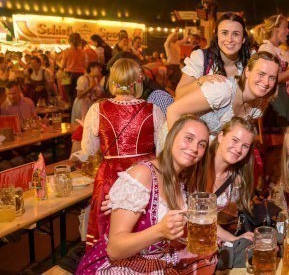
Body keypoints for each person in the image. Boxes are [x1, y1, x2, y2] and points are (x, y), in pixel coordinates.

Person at [77, 115, 217, 274]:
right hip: (121, 265)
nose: (194, 148)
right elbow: (114, 249)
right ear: (172, 137)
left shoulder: (180, 182)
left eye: (202, 144)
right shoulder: (142, 175)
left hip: (158, 262)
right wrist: (160, 231)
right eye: (188, 138)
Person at [78, 58, 165, 249]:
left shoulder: (97, 110)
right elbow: (163, 151)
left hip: (110, 177)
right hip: (144, 177)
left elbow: (89, 150)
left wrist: (88, 128)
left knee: (109, 231)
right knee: (140, 232)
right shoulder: (154, 110)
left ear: (111, 80)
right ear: (139, 81)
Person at [166, 51, 279, 136]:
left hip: (209, 153)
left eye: (272, 78)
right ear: (247, 71)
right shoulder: (222, 90)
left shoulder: (258, 106)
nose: (266, 82)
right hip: (178, 140)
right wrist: (175, 156)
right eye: (261, 74)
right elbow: (173, 110)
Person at [195, 117, 257, 242]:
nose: (238, 149)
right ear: (221, 136)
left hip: (216, 244)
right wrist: (233, 239)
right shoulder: (196, 166)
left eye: (245, 146)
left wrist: (238, 238)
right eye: (234, 140)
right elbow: (197, 216)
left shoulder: (237, 180)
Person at [176, 13, 251, 93]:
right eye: (224, 33)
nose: (229, 39)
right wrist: (202, 80)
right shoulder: (202, 58)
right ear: (217, 36)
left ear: (243, 39)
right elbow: (179, 94)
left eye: (236, 34)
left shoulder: (251, 60)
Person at [256, 14, 289, 128]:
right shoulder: (266, 49)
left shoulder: (274, 49)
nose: (288, 31)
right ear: (275, 29)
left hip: (281, 96)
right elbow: (267, 79)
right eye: (285, 27)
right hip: (274, 102)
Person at [60, 33, 87, 105]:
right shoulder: (83, 52)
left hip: (67, 74)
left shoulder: (66, 52)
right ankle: (76, 110)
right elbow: (85, 65)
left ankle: (70, 111)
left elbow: (63, 66)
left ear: (69, 40)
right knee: (77, 95)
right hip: (80, 74)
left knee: (67, 95)